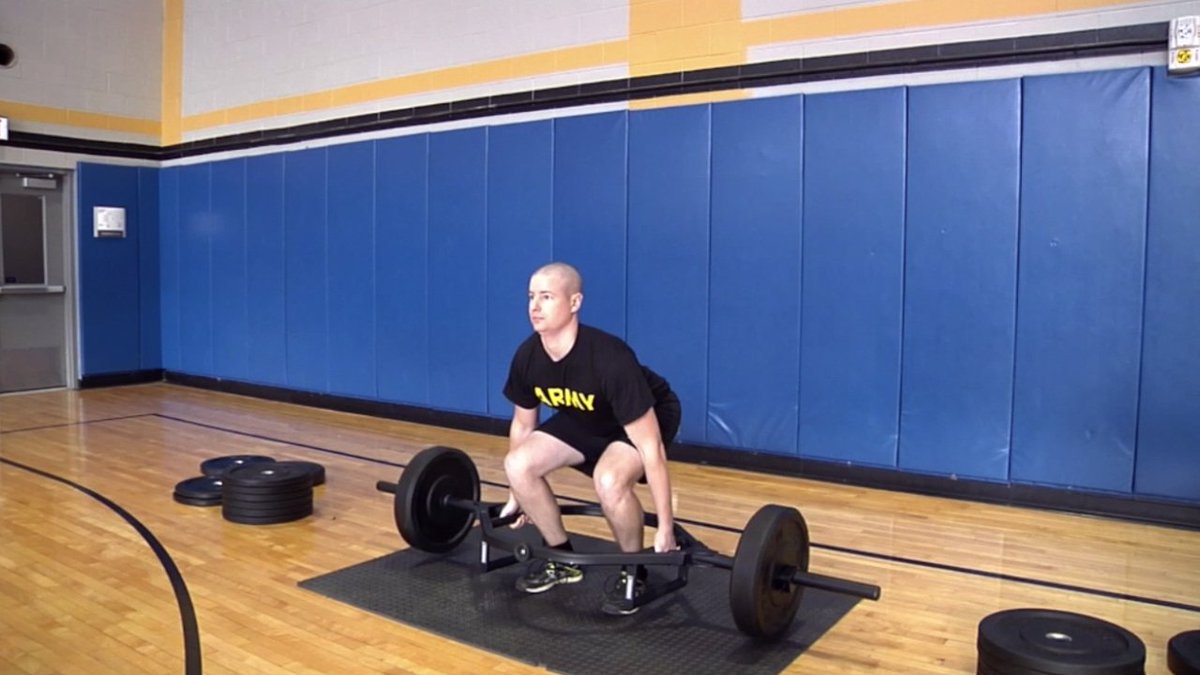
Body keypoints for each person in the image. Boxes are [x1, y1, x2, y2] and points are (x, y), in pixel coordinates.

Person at [500, 262, 681, 615]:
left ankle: (633, 569)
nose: (534, 306)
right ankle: (563, 560)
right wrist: (515, 492)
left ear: (574, 302)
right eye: (531, 297)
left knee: (610, 480)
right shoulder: (528, 356)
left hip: (642, 416)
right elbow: (523, 427)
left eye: (547, 297)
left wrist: (666, 528)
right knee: (518, 465)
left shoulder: (609, 358)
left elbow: (651, 448)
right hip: (585, 416)